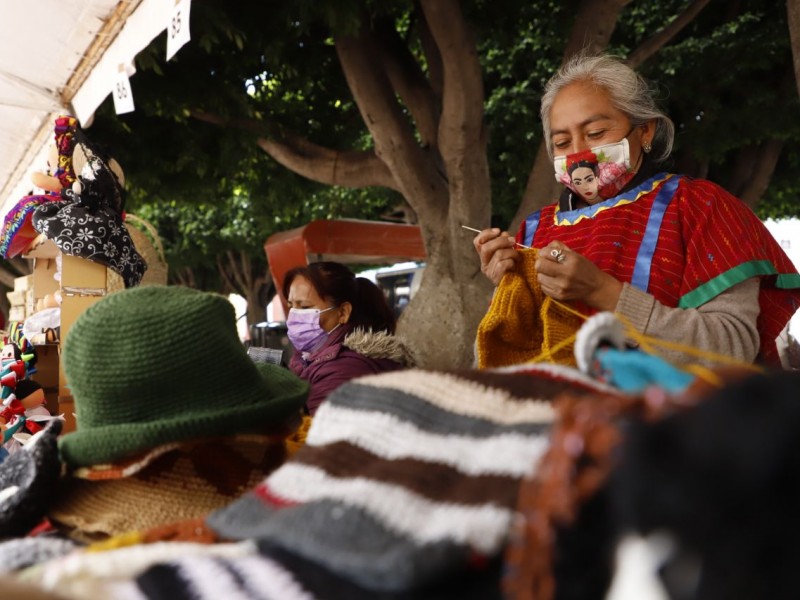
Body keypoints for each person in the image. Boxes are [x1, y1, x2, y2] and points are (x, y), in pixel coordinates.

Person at [474, 53, 800, 367]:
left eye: (596, 133)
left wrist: (604, 292)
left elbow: (733, 350)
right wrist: (507, 291)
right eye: (562, 142)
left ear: (646, 131)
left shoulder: (701, 207)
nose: (579, 154)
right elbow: (506, 356)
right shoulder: (534, 230)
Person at [283, 261, 414, 415]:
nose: (293, 316)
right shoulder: (310, 357)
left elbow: (317, 434)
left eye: (304, 307)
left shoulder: (343, 369)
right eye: (291, 306)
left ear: (343, 313)